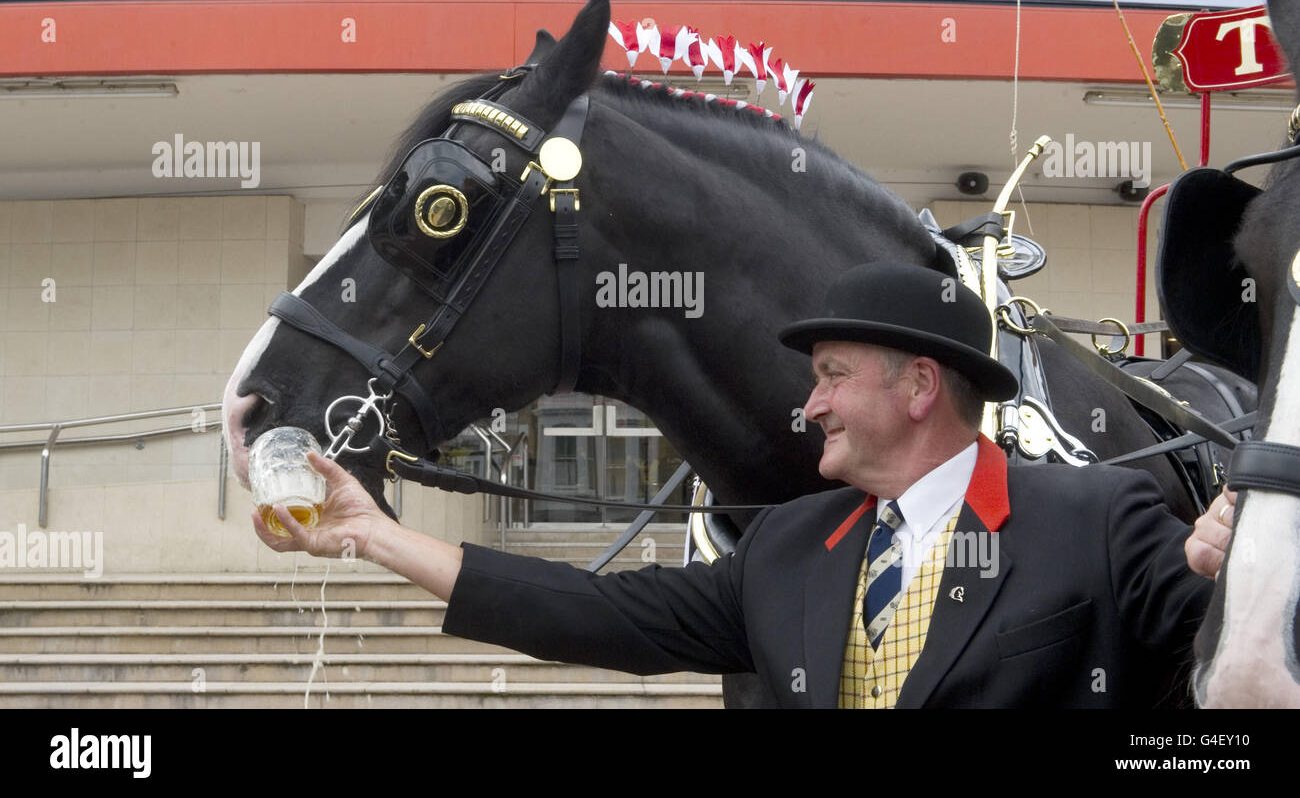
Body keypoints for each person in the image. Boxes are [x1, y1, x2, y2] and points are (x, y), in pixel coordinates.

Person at [254, 261, 1232, 707]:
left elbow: (1225, 703)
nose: (809, 406)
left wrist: (1248, 560)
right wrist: (373, 534)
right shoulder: (789, 546)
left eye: (831, 374)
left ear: (921, 384)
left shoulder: (1095, 518)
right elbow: (595, 613)